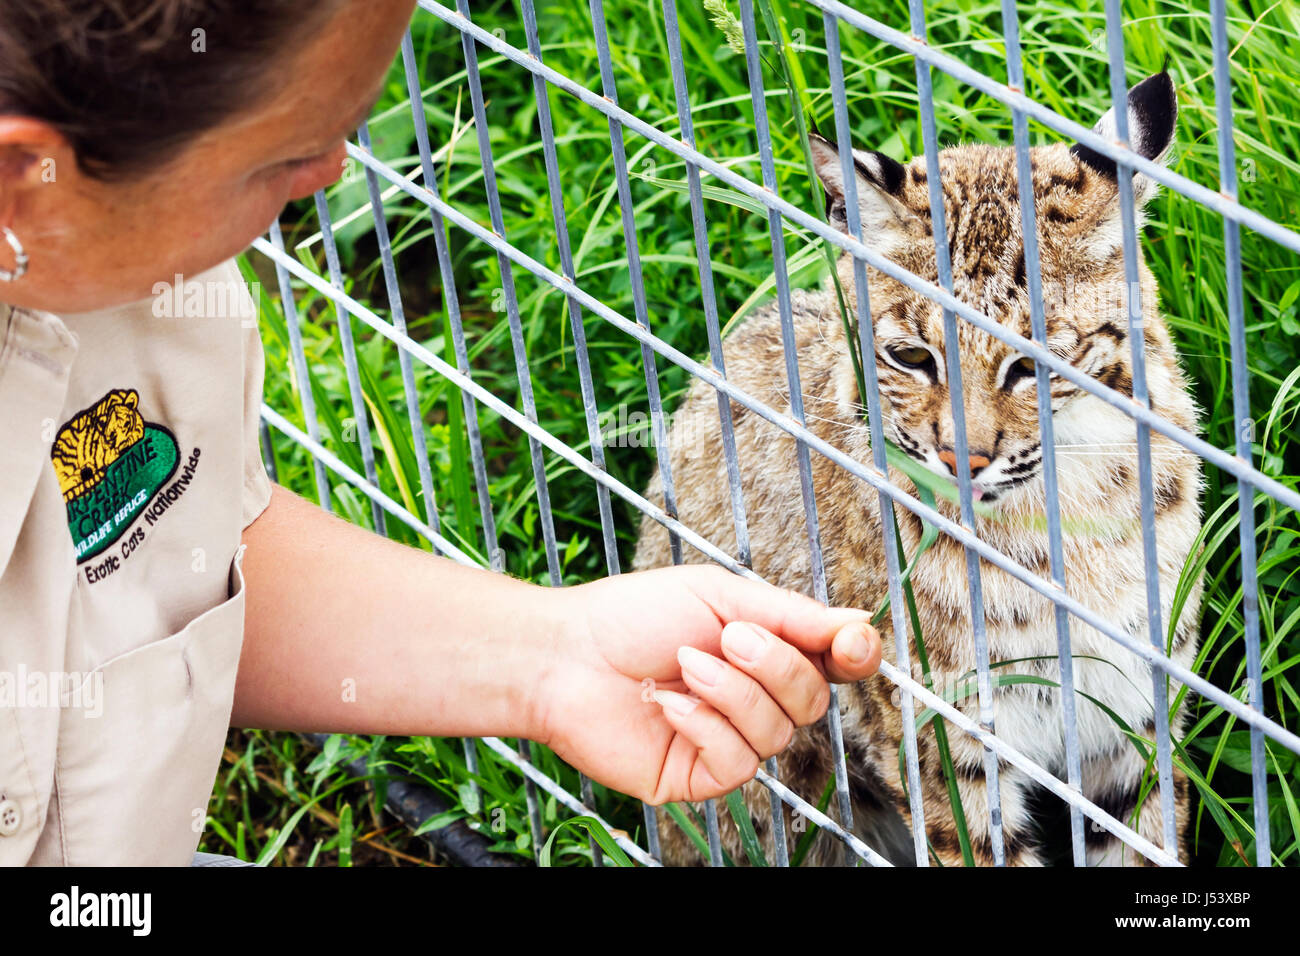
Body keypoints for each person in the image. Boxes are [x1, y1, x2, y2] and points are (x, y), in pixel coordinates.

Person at [0, 0, 882, 866]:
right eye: (290, 154)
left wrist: (555, 656)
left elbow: (167, 556)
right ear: (22, 178)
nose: (337, 173)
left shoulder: (129, 270)